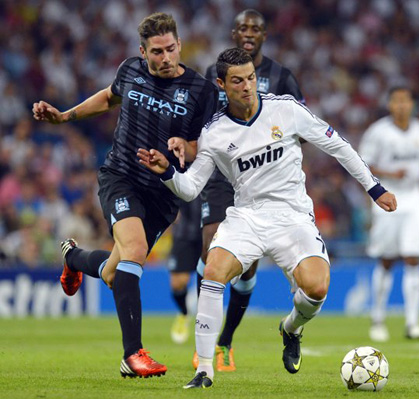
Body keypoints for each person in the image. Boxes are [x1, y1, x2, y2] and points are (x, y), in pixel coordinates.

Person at [137, 48, 397, 389]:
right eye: (237, 81)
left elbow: (338, 146)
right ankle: (204, 369)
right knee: (213, 270)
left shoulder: (285, 109)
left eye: (250, 78)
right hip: (247, 216)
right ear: (221, 84)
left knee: (317, 288)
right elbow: (190, 188)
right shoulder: (215, 133)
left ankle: (291, 328)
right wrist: (169, 172)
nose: (247, 86)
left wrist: (374, 188)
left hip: (293, 216)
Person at [32, 12, 218, 377]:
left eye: (170, 49)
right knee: (134, 252)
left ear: (179, 45)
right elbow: (107, 97)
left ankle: (75, 260)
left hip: (164, 195)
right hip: (121, 177)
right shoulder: (130, 70)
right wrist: (65, 117)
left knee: (117, 273)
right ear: (142, 51)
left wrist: (184, 147)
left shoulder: (202, 91)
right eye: (156, 52)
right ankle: (132, 355)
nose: (164, 58)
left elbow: (210, 145)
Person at [193, 8, 305, 372]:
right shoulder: (215, 74)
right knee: (212, 250)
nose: (248, 33)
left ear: (264, 36)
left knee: (248, 265)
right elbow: (204, 123)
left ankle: (226, 340)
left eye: (255, 28)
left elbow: (299, 125)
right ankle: (205, 343)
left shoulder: (282, 77)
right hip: (223, 174)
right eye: (242, 27)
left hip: (261, 180)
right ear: (234, 32)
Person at [358, 86, 419, 342]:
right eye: (396, 101)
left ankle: (413, 322)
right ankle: (377, 319)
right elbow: (363, 164)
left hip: (414, 199)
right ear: (390, 104)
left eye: (406, 101)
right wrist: (391, 174)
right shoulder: (378, 132)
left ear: (412, 104)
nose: (401, 106)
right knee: (386, 259)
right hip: (386, 197)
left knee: (414, 257)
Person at [168, 197, 202, 344]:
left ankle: (205, 328)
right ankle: (183, 313)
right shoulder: (182, 172)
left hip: (209, 230)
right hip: (184, 232)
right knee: (177, 283)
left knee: (210, 281)